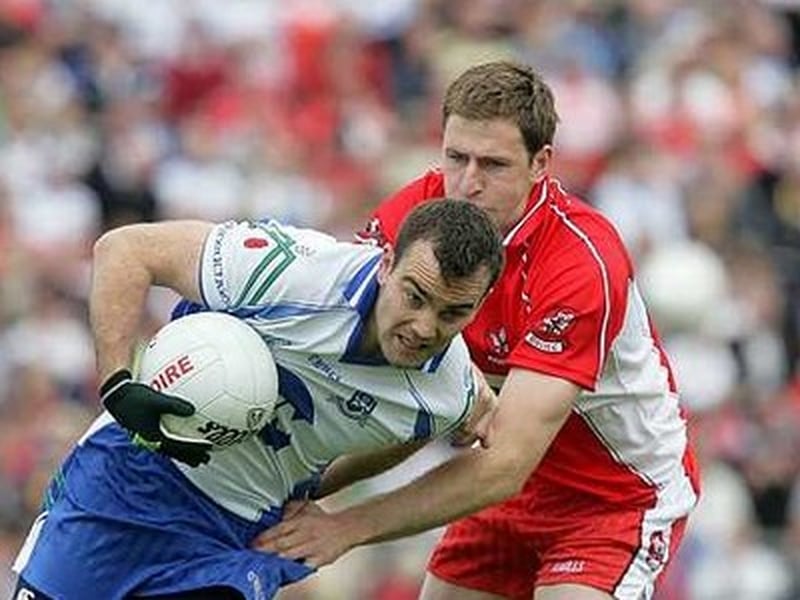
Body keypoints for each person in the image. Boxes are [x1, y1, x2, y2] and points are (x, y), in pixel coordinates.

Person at [255, 60, 701, 600]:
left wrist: (345, 527)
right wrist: (282, 484)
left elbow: (504, 462)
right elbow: (360, 362)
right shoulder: (418, 216)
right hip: (504, 496)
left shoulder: (581, 263)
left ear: (541, 163)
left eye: (493, 164)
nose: (467, 183)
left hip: (611, 498)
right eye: (455, 158)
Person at [11, 198, 505, 600]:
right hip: (131, 476)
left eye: (453, 312)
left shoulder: (451, 391)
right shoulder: (290, 269)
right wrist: (118, 384)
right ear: (386, 264)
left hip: (233, 537)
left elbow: (426, 429)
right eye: (414, 296)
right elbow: (125, 249)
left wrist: (332, 504)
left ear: (479, 307)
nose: (424, 327)